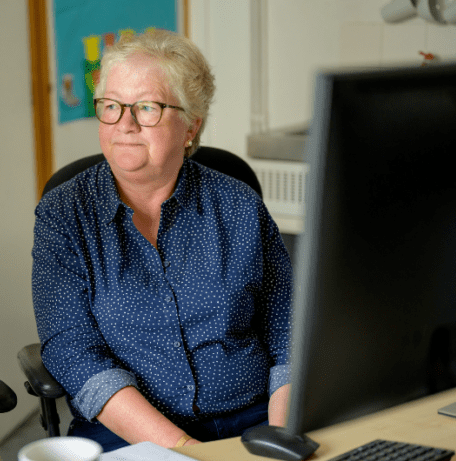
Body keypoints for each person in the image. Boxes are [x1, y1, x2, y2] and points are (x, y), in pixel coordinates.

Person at [32, 29, 293, 452]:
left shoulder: (239, 205)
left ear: (191, 125)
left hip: (251, 420)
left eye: (147, 108)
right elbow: (71, 349)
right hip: (125, 434)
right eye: (111, 106)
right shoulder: (65, 213)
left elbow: (289, 330)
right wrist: (186, 451)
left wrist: (282, 439)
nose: (125, 124)